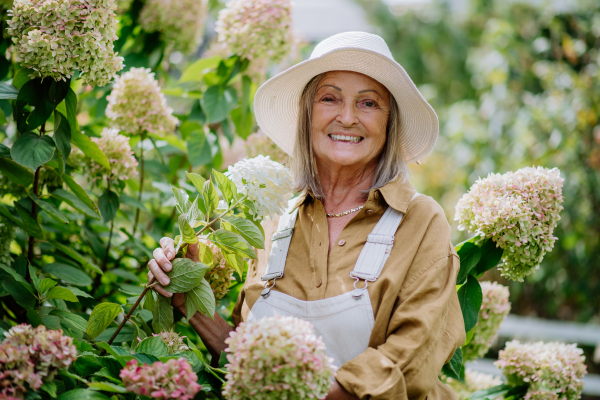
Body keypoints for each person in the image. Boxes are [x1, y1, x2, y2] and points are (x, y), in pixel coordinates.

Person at [148, 31, 466, 400]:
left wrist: (295, 390)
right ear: (307, 115)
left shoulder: (420, 221)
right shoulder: (275, 218)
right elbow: (244, 360)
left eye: (368, 103)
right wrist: (190, 300)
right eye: (329, 98)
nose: (347, 117)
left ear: (388, 122)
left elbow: (409, 365)